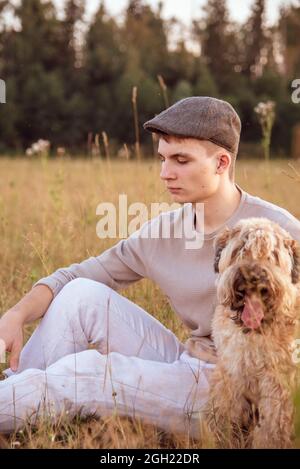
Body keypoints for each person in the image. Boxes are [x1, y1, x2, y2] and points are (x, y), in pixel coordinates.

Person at [0, 96, 300, 438]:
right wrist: (17, 314)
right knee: (79, 294)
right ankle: (20, 398)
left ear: (221, 163)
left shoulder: (278, 231)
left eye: (180, 160)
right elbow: (75, 275)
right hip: (186, 363)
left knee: (88, 373)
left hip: (230, 392)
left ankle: (27, 402)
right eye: (162, 159)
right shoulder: (163, 232)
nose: (165, 173)